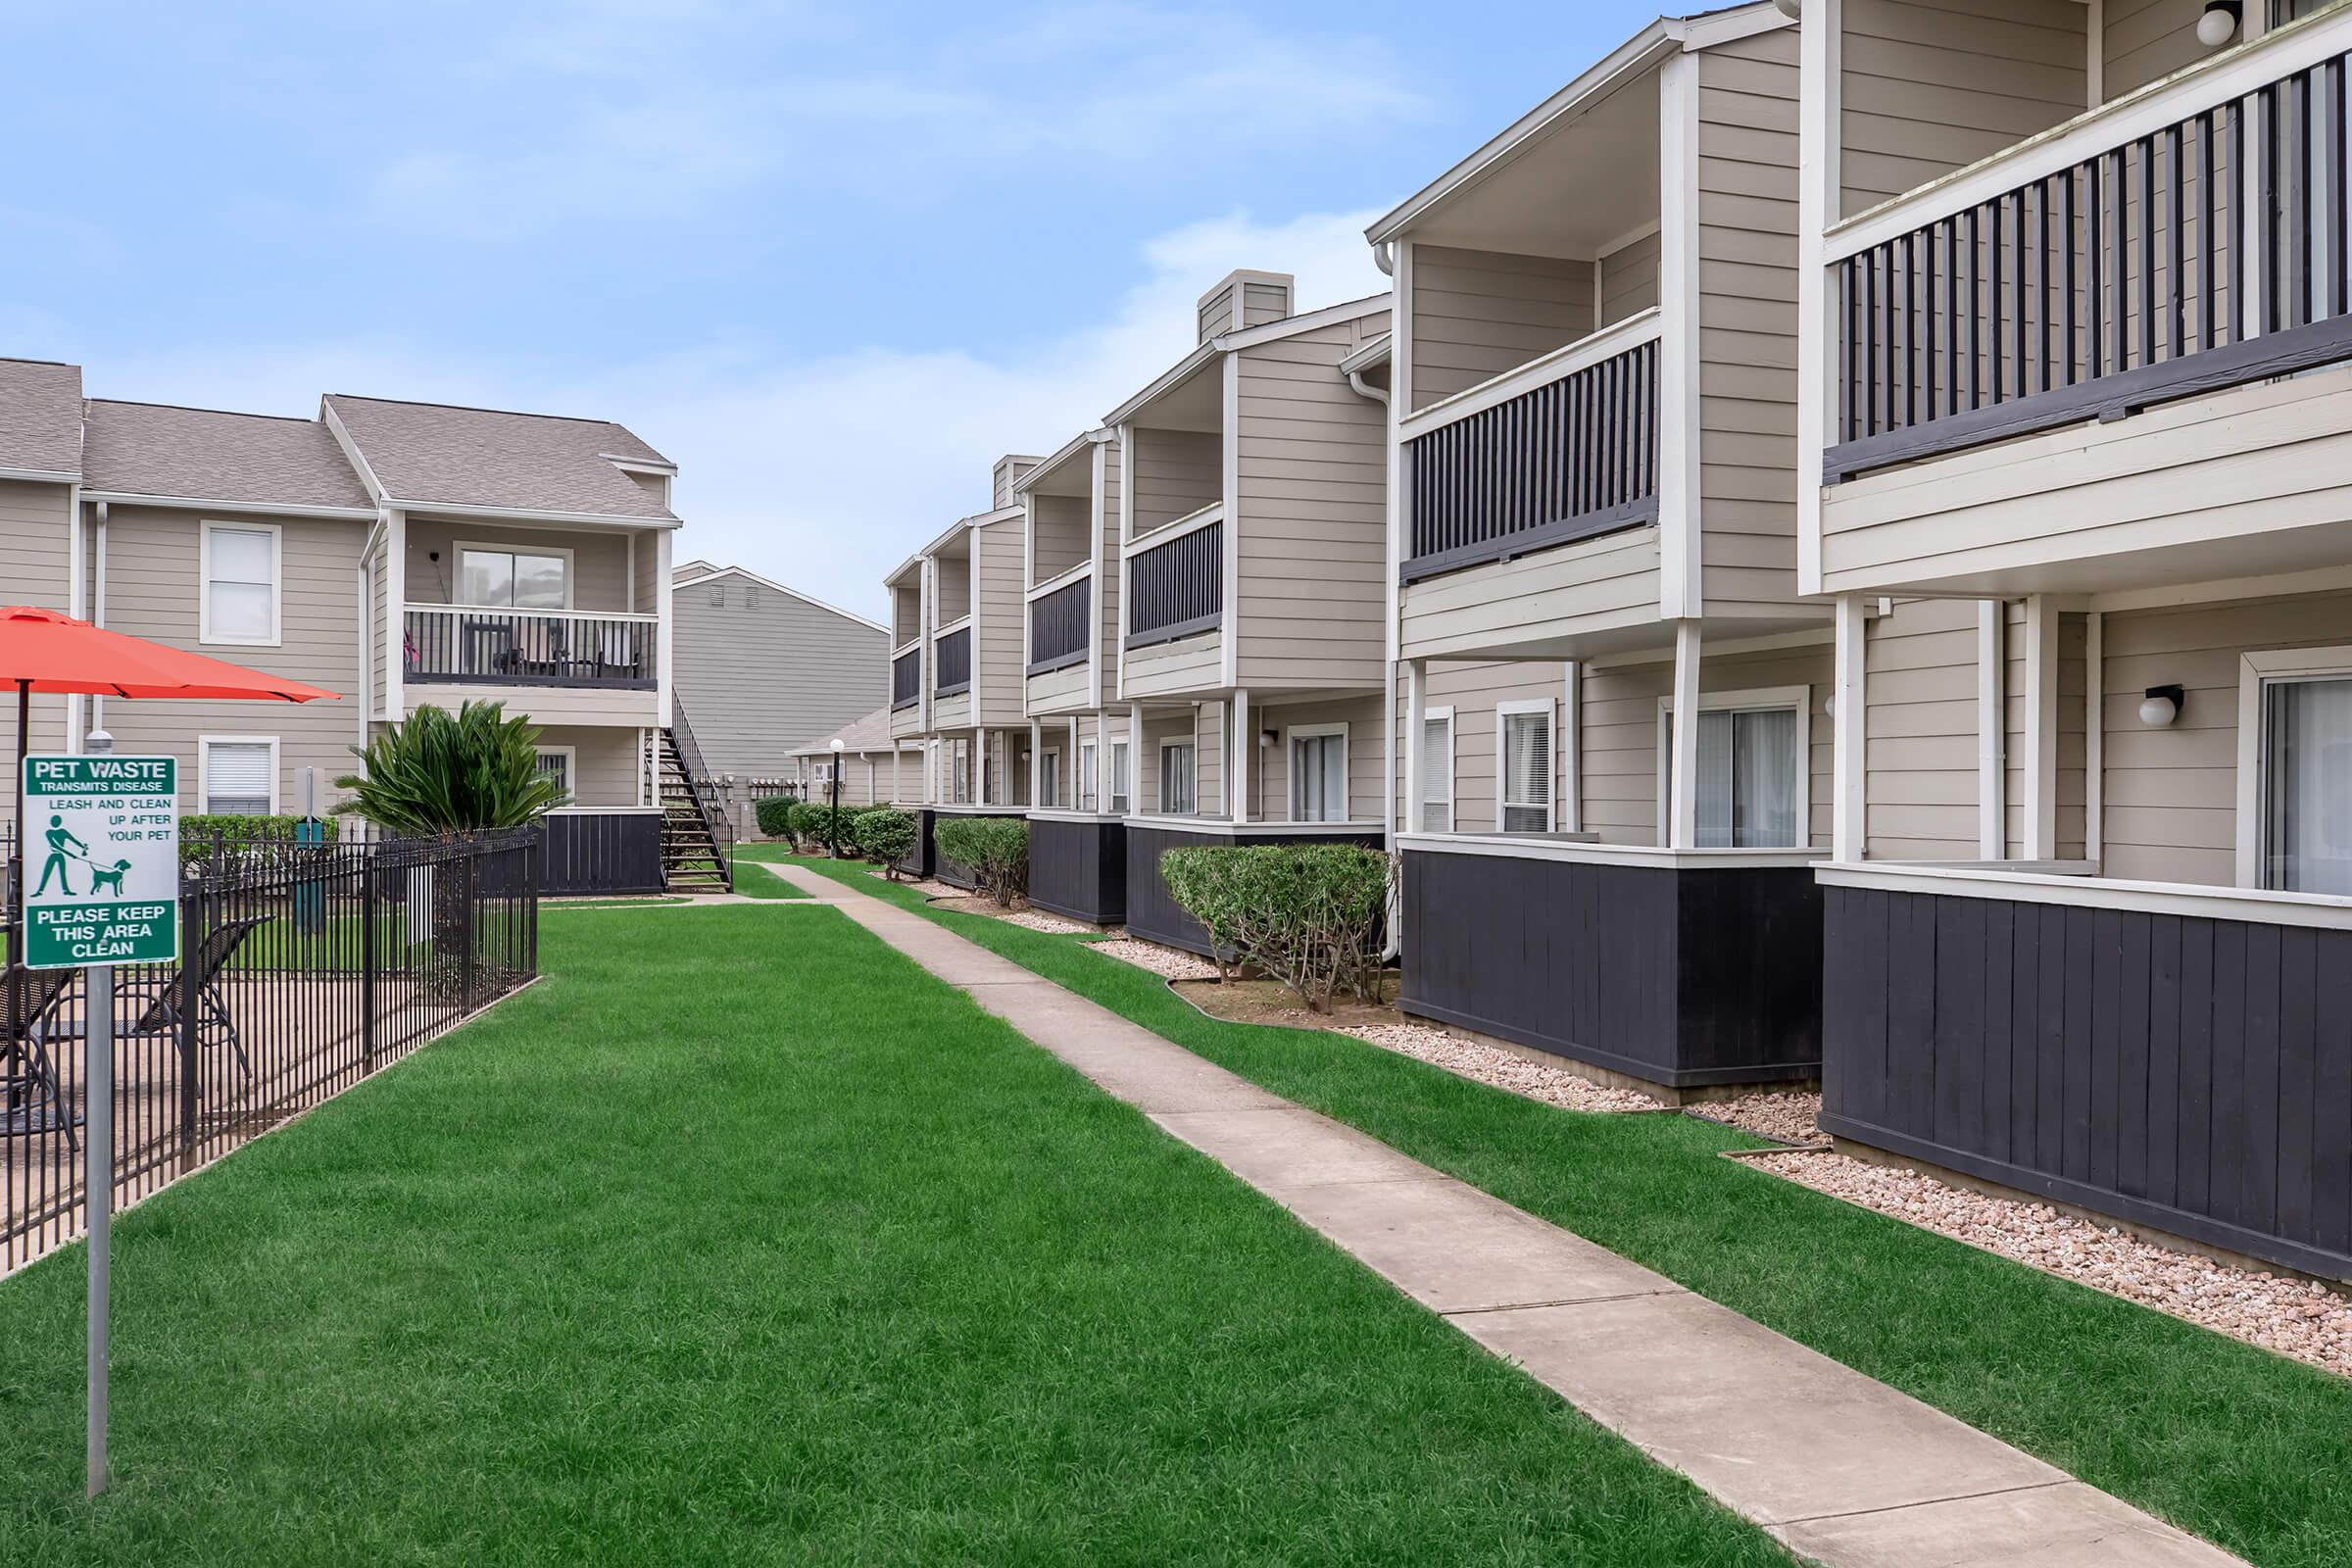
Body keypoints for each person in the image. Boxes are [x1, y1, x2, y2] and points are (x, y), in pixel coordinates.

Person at [33, 813, 86, 898]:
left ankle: (66, 890)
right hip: (53, 855)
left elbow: (74, 840)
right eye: (53, 821)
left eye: (56, 821)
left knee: (62, 874)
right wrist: (71, 854)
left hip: (60, 856)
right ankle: (40, 891)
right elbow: (55, 846)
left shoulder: (63, 832)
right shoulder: (49, 832)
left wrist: (82, 846)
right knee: (46, 873)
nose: (55, 822)